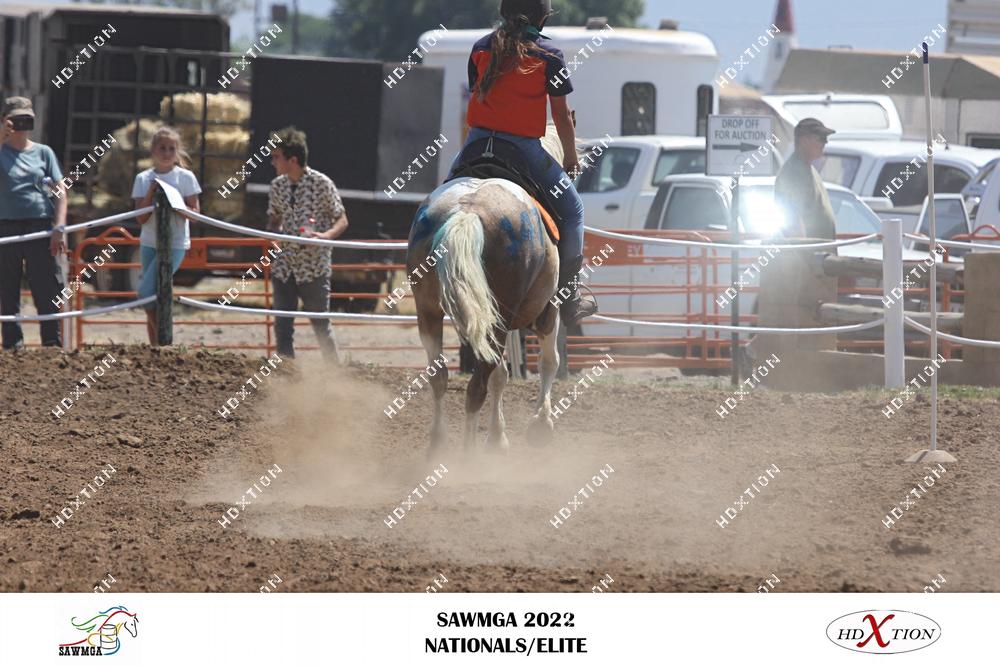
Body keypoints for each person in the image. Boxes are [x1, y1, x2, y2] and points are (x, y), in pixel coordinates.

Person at [449, 0, 596, 325]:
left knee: (447, 199)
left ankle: (432, 271)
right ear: (542, 19)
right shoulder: (550, 55)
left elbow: (478, 91)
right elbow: (561, 115)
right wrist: (571, 157)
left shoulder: (480, 47)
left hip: (476, 143)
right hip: (521, 149)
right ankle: (569, 299)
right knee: (574, 212)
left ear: (504, 13)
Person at [266, 126, 349, 362]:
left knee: (321, 323)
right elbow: (273, 220)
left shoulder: (322, 183)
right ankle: (286, 372)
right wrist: (273, 236)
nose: (272, 162)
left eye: (276, 157)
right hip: (284, 266)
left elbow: (342, 219)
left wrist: (325, 237)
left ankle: (334, 373)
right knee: (282, 326)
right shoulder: (277, 186)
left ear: (292, 160)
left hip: (314, 267)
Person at [0, 96, 67, 350]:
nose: (21, 125)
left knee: (46, 286)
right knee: (7, 287)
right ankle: (13, 344)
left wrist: (58, 227)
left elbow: (60, 191)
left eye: (26, 119)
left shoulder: (44, 152)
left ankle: (51, 342)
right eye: (16, 119)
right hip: (6, 226)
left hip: (40, 226)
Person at [131, 126, 201, 345]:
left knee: (145, 293)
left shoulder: (186, 177)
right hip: (149, 242)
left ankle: (165, 341)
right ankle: (156, 348)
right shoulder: (143, 178)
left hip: (176, 243)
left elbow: (196, 214)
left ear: (177, 151)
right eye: (162, 148)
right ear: (153, 150)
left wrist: (177, 205)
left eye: (172, 148)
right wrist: (151, 192)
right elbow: (140, 218)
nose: (167, 153)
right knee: (154, 294)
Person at [774, 118, 838, 240]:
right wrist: (804, 249)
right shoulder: (793, 174)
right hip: (807, 251)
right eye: (821, 138)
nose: (825, 143)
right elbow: (792, 223)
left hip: (819, 249)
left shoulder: (807, 169)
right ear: (804, 140)